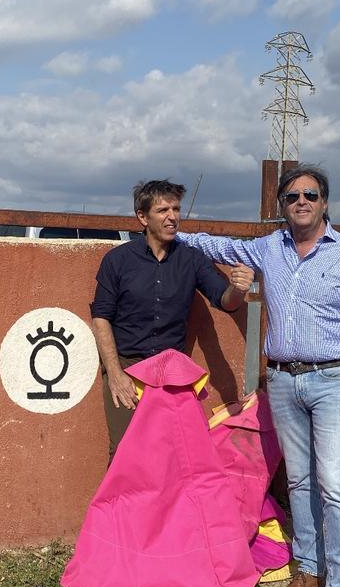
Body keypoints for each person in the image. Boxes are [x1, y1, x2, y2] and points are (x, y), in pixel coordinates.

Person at [177, 164, 340, 587]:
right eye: (292, 195)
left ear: (325, 203)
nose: (301, 201)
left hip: (334, 378)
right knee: (299, 481)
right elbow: (217, 246)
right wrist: (177, 229)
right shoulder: (267, 248)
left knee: (336, 484)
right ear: (282, 204)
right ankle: (309, 571)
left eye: (311, 195)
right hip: (282, 380)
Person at [91, 179, 253, 461]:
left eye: (176, 209)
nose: (172, 216)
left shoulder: (191, 259)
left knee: (171, 455)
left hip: (171, 373)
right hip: (128, 368)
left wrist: (238, 289)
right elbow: (101, 318)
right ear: (142, 217)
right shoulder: (117, 260)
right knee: (125, 454)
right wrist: (115, 375)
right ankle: (126, 508)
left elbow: (224, 301)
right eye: (163, 210)